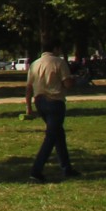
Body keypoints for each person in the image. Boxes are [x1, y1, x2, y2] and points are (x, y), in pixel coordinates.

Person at [25, 41, 78, 182]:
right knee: (51, 136)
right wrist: (73, 80)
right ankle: (36, 170)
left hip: (39, 101)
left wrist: (28, 106)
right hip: (55, 101)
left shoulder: (34, 64)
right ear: (55, 48)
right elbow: (67, 83)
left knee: (58, 134)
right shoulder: (58, 62)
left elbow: (29, 87)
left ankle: (66, 167)